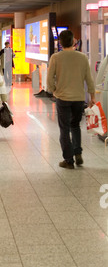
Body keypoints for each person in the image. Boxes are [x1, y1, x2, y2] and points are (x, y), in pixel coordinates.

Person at [47, 29, 96, 169]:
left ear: (60, 43)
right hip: (79, 98)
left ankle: (68, 161)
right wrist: (92, 97)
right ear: (74, 41)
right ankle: (78, 153)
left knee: (64, 129)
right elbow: (89, 79)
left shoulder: (56, 58)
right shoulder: (82, 57)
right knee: (75, 126)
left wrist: (54, 91)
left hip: (63, 98)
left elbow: (49, 79)